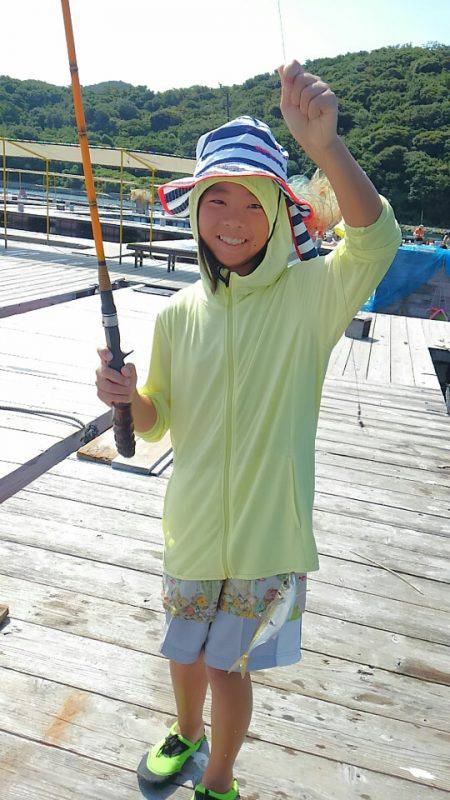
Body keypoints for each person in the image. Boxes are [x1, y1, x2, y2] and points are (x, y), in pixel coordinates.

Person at [95, 59, 402, 800]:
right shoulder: (176, 314)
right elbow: (159, 421)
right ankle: (185, 733)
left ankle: (221, 780)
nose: (231, 219)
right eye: (215, 199)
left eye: (252, 202)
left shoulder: (311, 296)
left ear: (280, 211)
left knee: (231, 668)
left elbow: (377, 240)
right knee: (186, 654)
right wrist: (128, 398)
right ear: (195, 210)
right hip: (192, 529)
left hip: (268, 541)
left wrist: (327, 148)